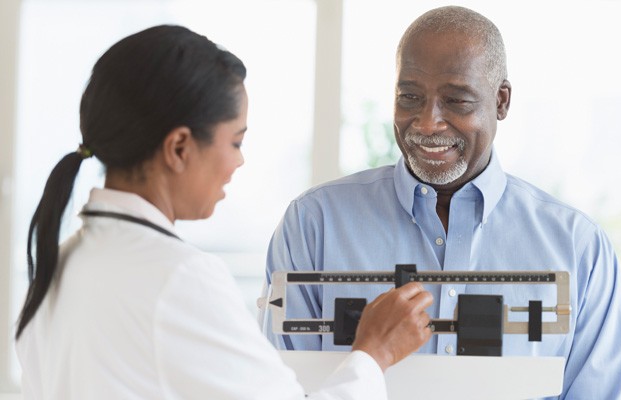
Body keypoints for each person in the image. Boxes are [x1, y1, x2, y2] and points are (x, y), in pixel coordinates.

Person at [15, 25, 433, 400]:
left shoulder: (59, 264)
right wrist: (373, 354)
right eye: (234, 142)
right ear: (179, 148)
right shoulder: (178, 279)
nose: (239, 162)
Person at [264, 6, 621, 399]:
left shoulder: (579, 248)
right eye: (409, 97)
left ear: (502, 101)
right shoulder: (313, 225)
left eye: (456, 101)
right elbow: (282, 389)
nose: (427, 123)